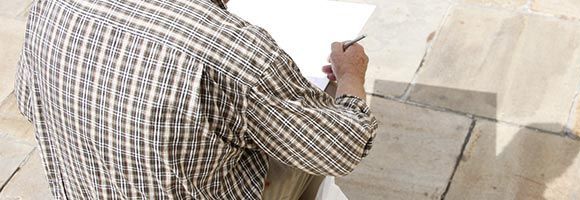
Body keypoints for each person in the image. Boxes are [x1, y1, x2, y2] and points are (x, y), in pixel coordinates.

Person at [14, 0, 378, 199]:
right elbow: (344, 147)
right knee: (309, 134)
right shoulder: (234, 50)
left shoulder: (50, 6)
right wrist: (349, 76)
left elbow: (30, 104)